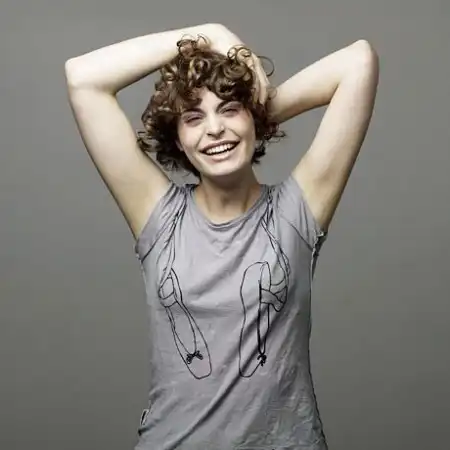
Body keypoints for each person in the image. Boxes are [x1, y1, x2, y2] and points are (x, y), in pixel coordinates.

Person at [65, 22, 379, 450]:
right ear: (178, 139)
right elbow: (83, 79)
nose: (213, 129)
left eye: (228, 109)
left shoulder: (296, 211)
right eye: (194, 119)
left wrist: (255, 114)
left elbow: (358, 62)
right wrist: (206, 33)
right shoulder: (158, 215)